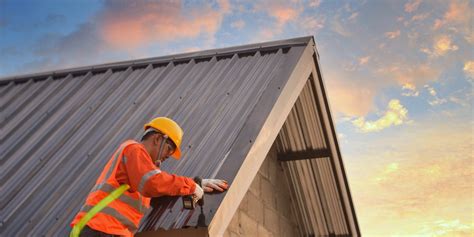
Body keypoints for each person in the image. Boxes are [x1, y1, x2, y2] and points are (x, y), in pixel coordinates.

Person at [70, 117, 228, 236]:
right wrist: (190, 185)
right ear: (158, 139)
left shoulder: (139, 172)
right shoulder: (133, 149)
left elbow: (161, 186)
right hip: (101, 229)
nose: (168, 155)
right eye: (169, 149)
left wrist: (195, 184)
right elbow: (154, 183)